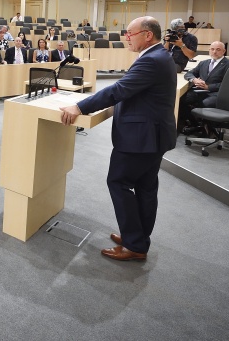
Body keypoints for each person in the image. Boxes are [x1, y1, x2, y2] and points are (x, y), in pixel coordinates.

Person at [59, 16, 176, 261]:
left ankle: (134, 244)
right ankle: (138, 238)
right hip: (153, 135)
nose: (126, 38)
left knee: (119, 183)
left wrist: (80, 107)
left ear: (147, 35)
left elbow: (119, 89)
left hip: (141, 137)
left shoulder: (152, 60)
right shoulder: (159, 56)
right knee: (145, 187)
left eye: (130, 34)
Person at [180, 41, 229, 133]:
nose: (214, 52)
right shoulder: (203, 63)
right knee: (183, 100)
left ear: (224, 51)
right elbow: (189, 74)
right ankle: (196, 124)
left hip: (217, 93)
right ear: (209, 50)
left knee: (204, 103)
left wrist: (208, 87)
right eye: (212, 49)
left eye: (218, 50)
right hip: (200, 91)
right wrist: (194, 80)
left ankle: (208, 126)